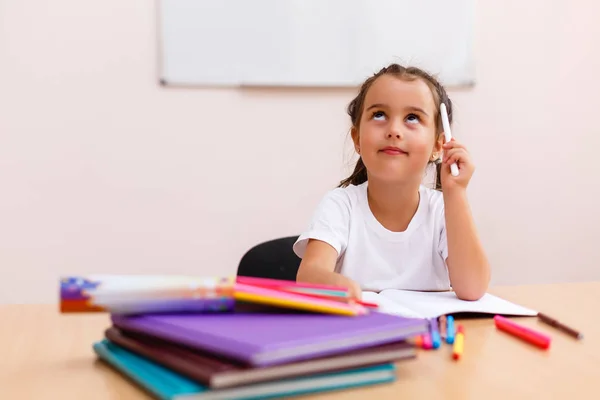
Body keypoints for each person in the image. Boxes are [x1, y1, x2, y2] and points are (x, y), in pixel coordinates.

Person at [293, 64, 490, 301]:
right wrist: (342, 287)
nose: (394, 130)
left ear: (438, 146)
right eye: (379, 115)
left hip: (428, 335)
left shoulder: (442, 209)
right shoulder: (340, 205)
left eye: (412, 118)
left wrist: (456, 192)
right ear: (357, 139)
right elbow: (309, 275)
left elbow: (472, 289)